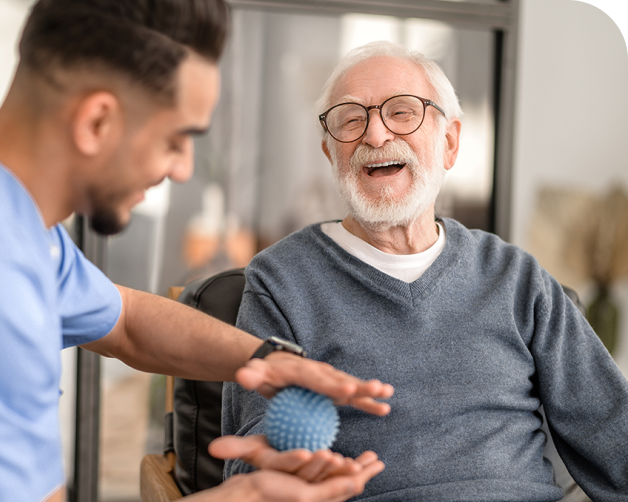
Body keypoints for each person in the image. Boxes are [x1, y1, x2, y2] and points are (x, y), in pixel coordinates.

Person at [0, 2, 396, 501]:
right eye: (176, 140)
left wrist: (269, 361)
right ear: (97, 121)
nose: (183, 169)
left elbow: (127, 322)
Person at [222, 40, 628, 501]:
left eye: (401, 112)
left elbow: (614, 436)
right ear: (329, 152)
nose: (374, 136)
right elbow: (249, 465)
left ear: (449, 142)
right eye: (351, 120)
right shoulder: (280, 281)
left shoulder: (516, 277)